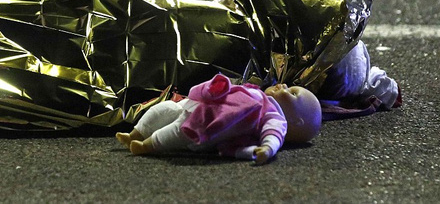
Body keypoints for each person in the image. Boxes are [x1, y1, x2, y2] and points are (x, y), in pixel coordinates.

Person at [116, 73, 322, 165]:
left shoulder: (273, 116)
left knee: (177, 131)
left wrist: (267, 148)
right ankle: (135, 133)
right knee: (165, 109)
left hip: (204, 127)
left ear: (296, 121)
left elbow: (273, 134)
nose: (284, 85)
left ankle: (146, 146)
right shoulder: (257, 92)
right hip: (194, 105)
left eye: (292, 93)